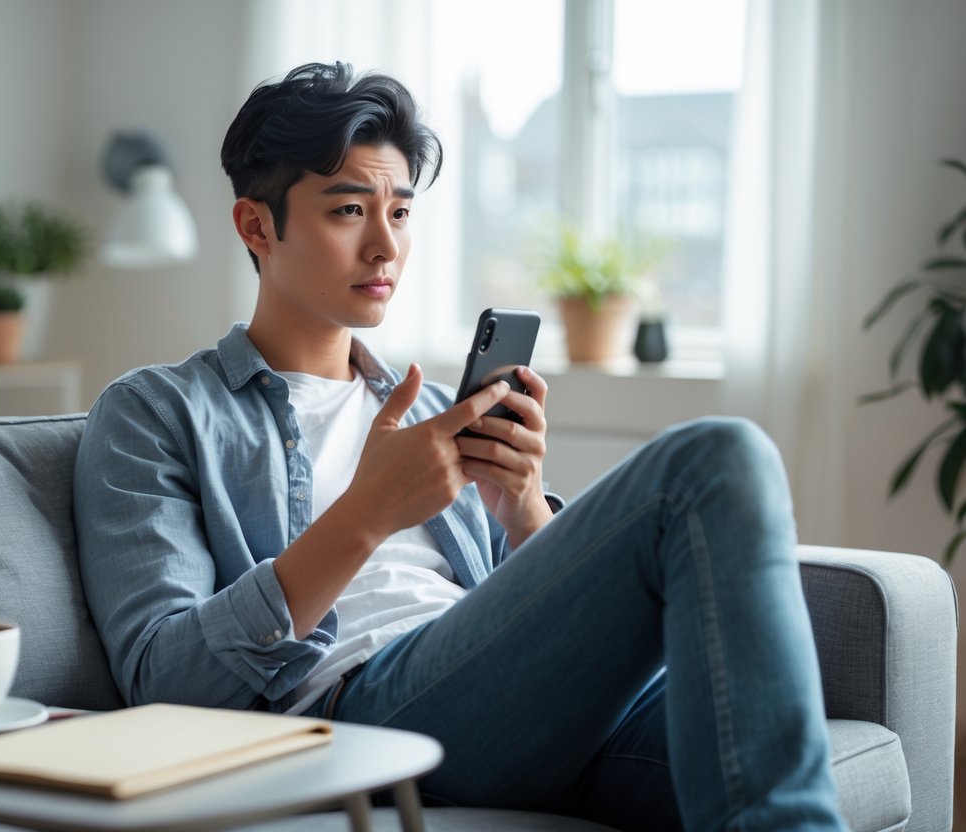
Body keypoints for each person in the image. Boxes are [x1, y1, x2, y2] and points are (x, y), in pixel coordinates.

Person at [73, 62, 846, 831]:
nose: (384, 248)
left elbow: (532, 628)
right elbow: (162, 680)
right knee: (712, 461)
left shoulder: (439, 412)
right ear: (255, 225)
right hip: (367, 716)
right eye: (348, 210)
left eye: (401, 214)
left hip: (507, 718)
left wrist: (522, 515)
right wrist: (364, 515)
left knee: (756, 732)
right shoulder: (159, 412)